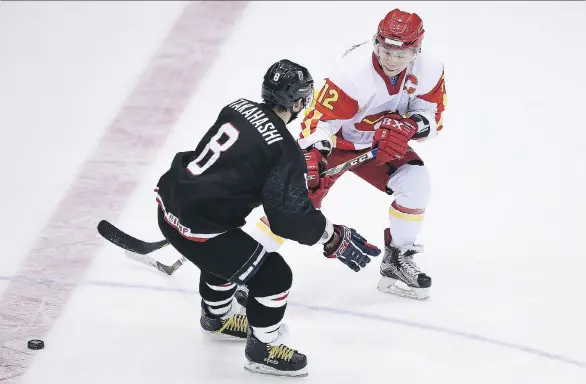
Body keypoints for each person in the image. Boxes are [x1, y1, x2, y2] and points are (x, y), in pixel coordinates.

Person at [154, 59, 381, 377]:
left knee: (230, 252)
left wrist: (286, 177)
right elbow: (288, 219)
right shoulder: (283, 150)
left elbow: (239, 164)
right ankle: (263, 349)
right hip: (200, 227)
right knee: (273, 276)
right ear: (299, 101)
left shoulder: (237, 108)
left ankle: (216, 317)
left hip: (170, 203)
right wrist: (333, 236)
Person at [250, 9, 447, 300]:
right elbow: (317, 121)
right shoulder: (352, 73)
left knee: (416, 183)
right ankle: (245, 268)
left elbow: (434, 118)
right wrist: (314, 153)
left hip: (382, 145)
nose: (391, 59)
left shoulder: (429, 69)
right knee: (296, 202)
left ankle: (396, 259)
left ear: (416, 50)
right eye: (385, 49)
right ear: (376, 41)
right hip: (337, 144)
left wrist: (409, 126)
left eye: (400, 53)